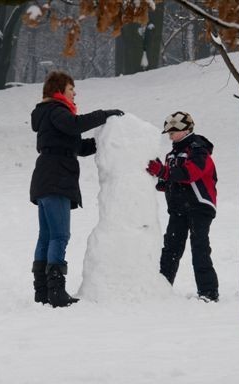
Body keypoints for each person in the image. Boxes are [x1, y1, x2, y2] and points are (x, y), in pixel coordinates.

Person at [29, 71, 123, 308]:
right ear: (59, 90)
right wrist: (105, 115)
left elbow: (78, 146)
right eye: (72, 89)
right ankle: (56, 291)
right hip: (55, 178)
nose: (75, 94)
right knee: (60, 235)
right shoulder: (56, 111)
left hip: (47, 178)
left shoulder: (50, 115)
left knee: (47, 235)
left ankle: (42, 291)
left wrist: (103, 142)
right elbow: (75, 125)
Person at [145, 111, 220, 302]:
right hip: (178, 208)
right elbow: (171, 179)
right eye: (168, 132)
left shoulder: (198, 149)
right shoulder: (172, 154)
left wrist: (163, 171)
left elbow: (190, 173)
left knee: (199, 247)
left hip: (199, 205)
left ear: (186, 129)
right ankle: (162, 288)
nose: (170, 135)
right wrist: (159, 178)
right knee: (170, 248)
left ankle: (208, 292)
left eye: (174, 131)